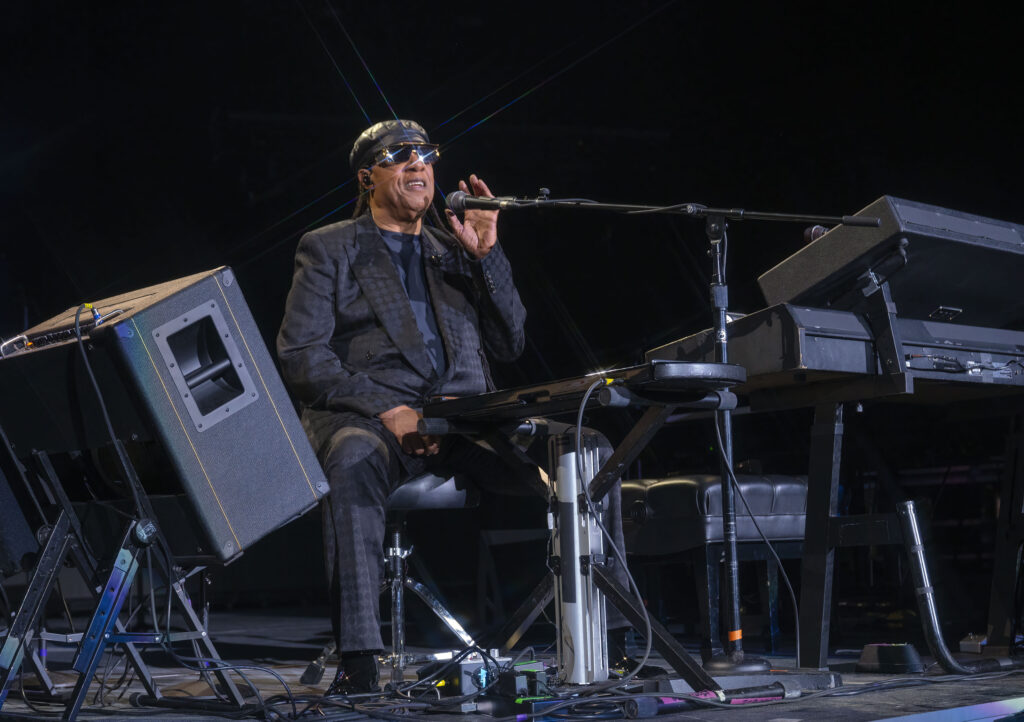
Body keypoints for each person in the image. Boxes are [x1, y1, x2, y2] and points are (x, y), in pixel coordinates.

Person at [277, 119, 631, 695]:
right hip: (379, 420)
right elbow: (302, 356)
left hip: (470, 419)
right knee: (350, 458)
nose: (418, 164)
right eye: (400, 154)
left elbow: (510, 343)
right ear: (368, 178)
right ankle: (359, 663)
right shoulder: (329, 247)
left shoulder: (455, 248)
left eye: (426, 154)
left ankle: (610, 645)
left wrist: (487, 256)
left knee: (588, 450)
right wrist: (387, 409)